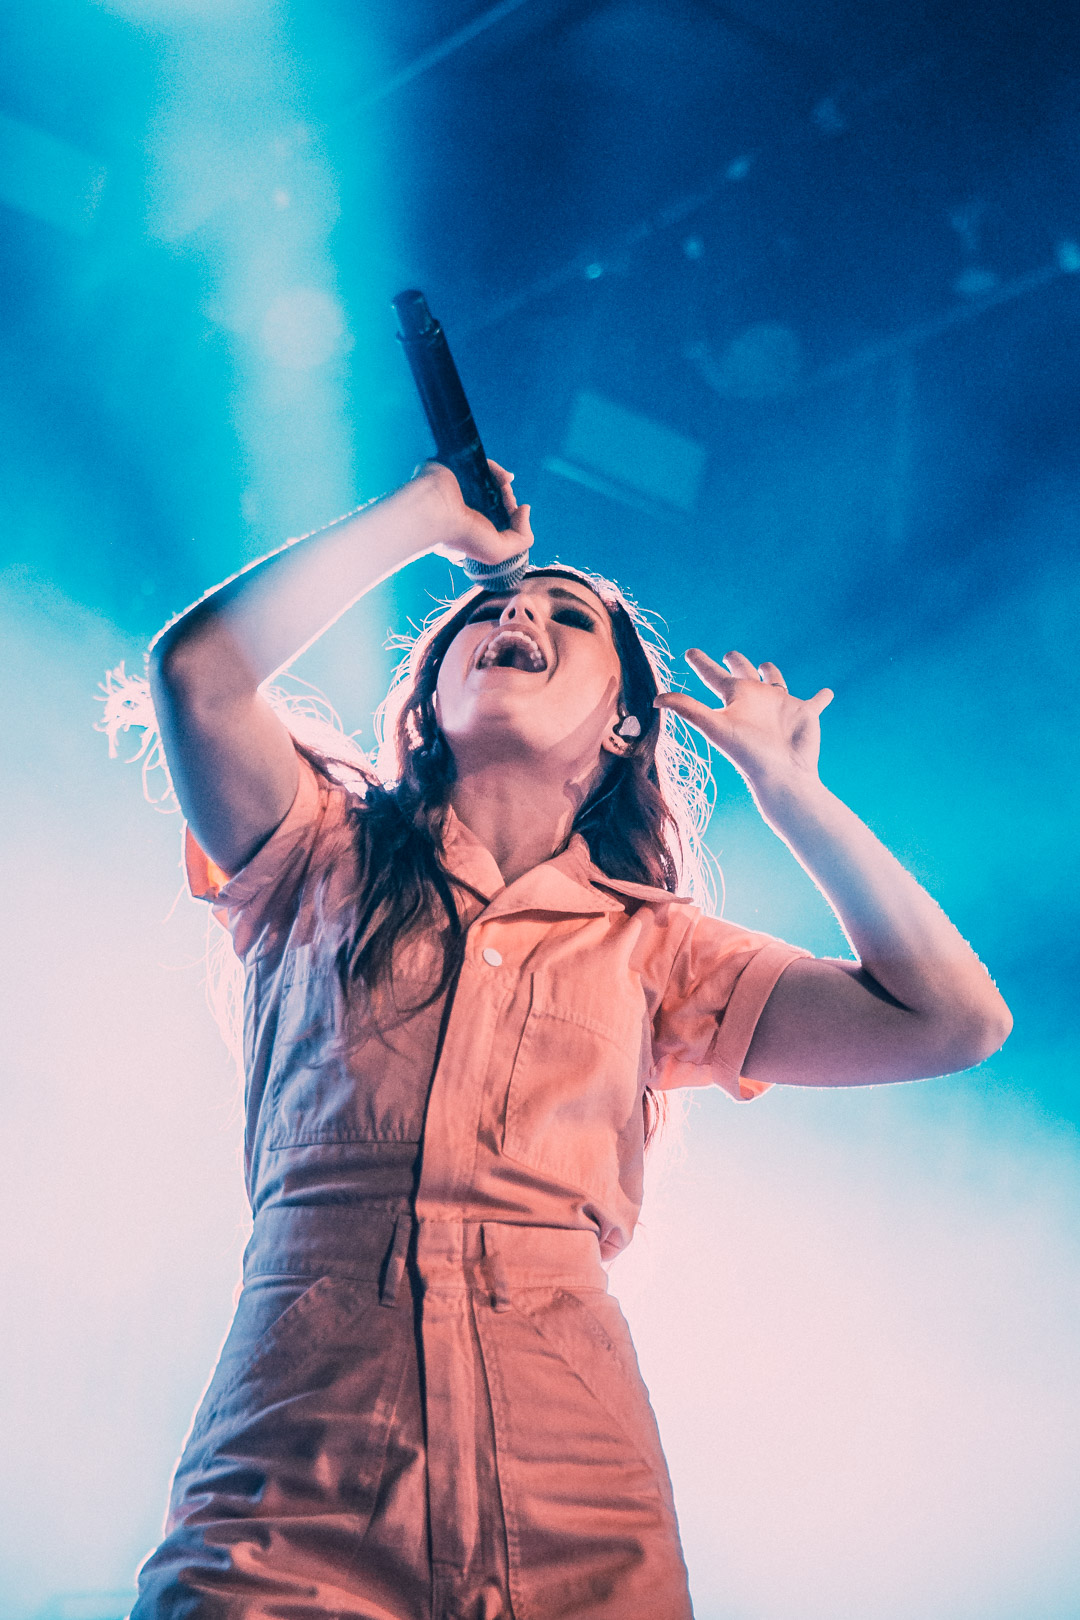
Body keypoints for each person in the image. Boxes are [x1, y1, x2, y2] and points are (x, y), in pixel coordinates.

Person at [131, 459, 1011, 1619]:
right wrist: (422, 518)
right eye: (490, 611)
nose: (518, 612)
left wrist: (791, 789)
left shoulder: (660, 949)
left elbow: (953, 1020)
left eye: (568, 617)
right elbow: (197, 676)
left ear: (623, 725)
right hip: (298, 1454)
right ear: (429, 699)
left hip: (570, 1471)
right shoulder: (314, 856)